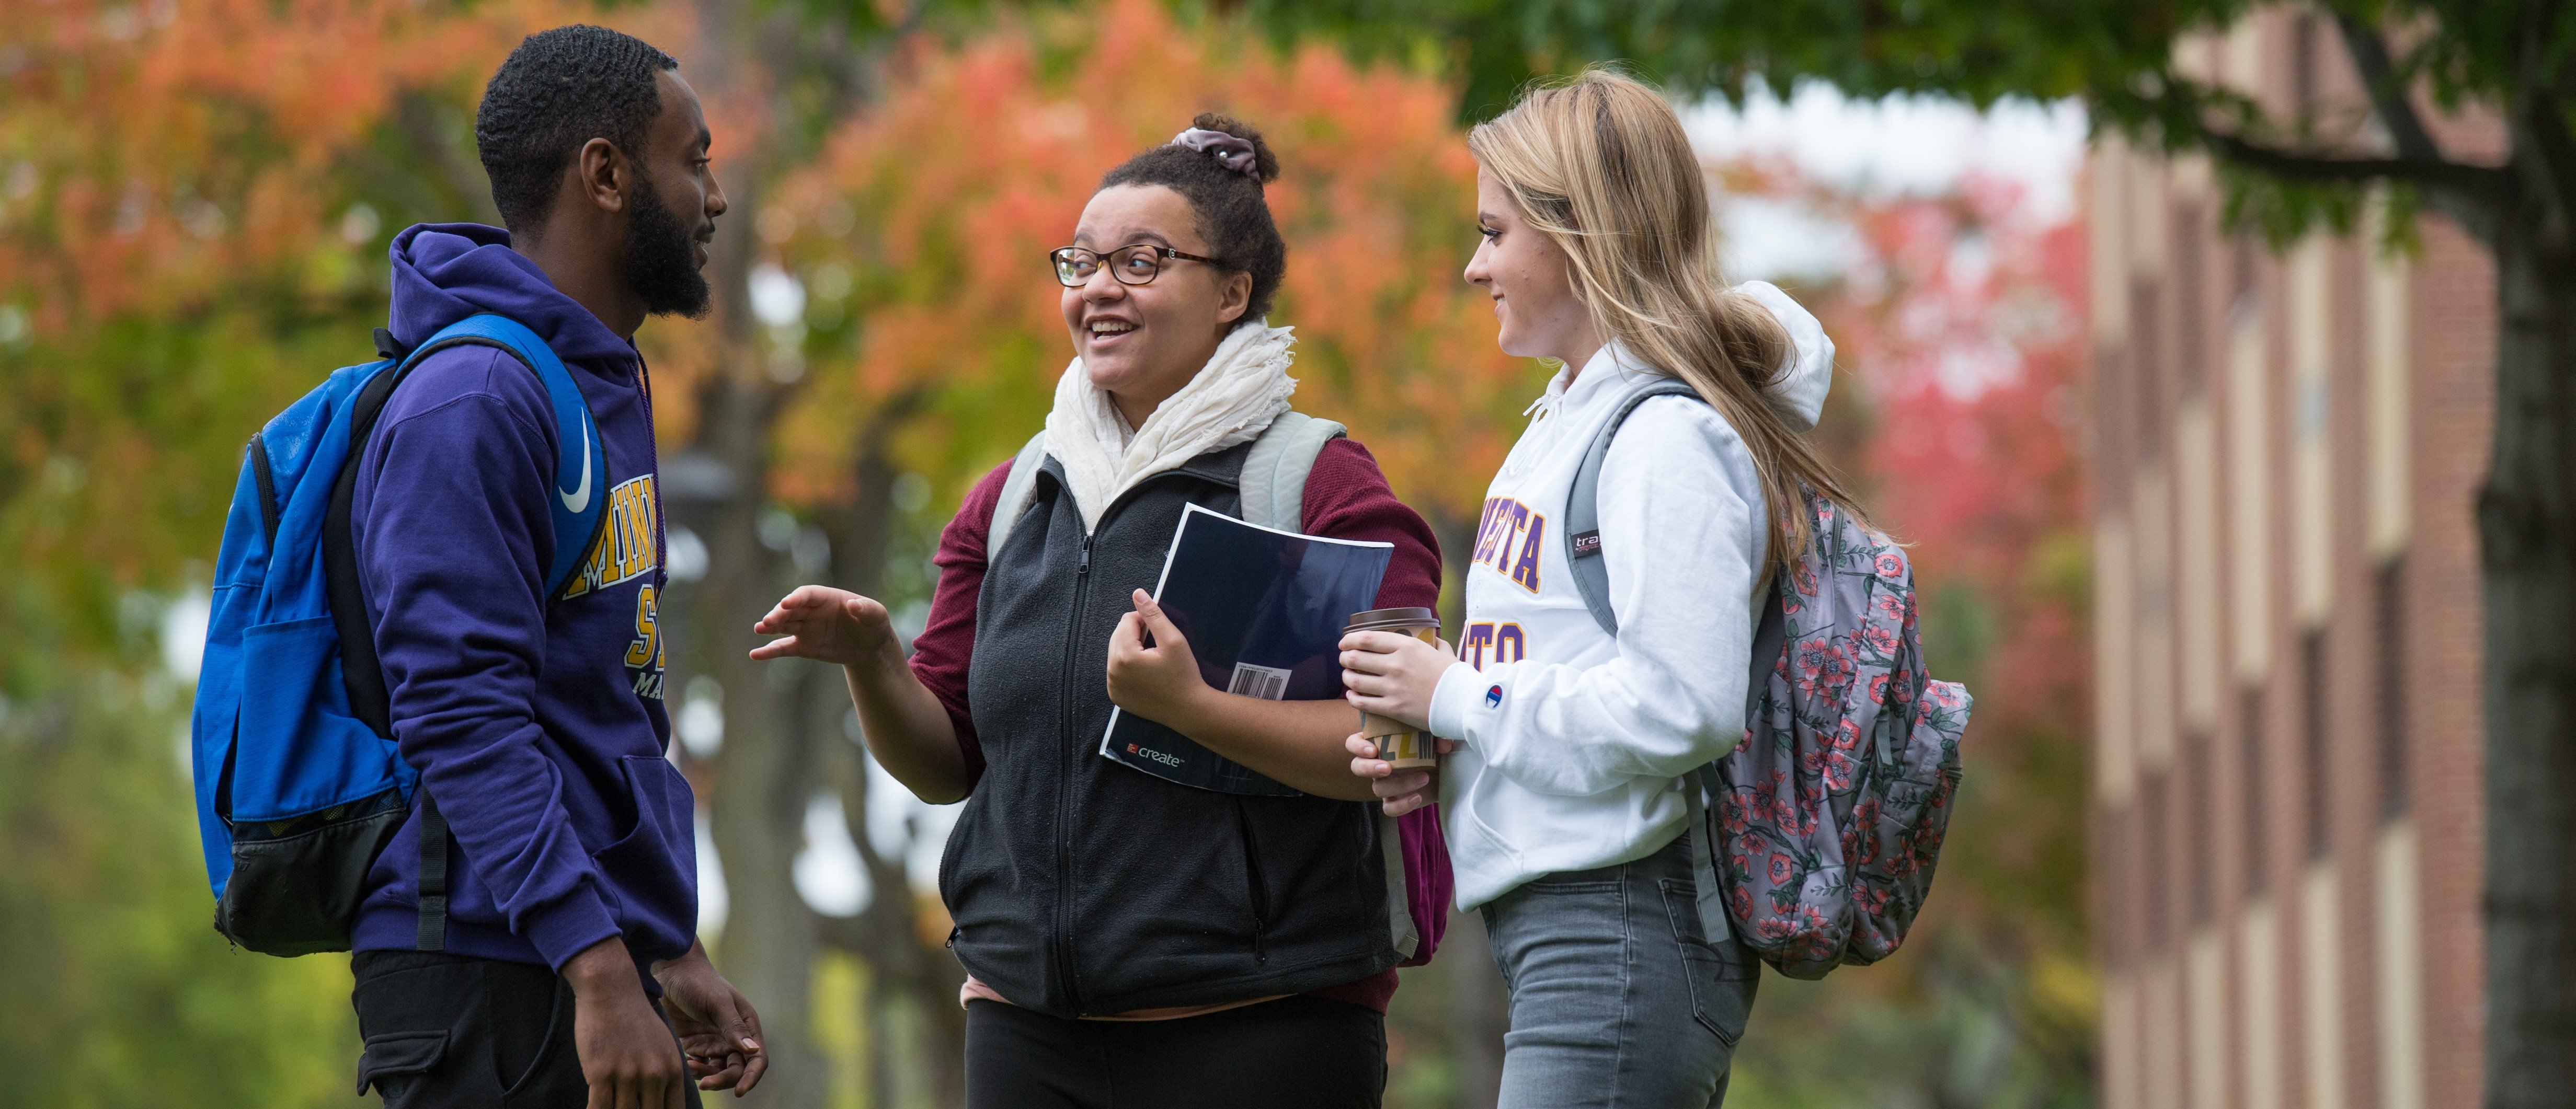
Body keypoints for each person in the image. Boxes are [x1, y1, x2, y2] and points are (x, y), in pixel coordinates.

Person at [747, 115, 1441, 1109]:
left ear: (1233, 292)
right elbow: (947, 765)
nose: (1098, 287)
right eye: (1080, 261)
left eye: (1142, 261)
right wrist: (874, 659)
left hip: (1266, 1026)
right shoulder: (1010, 500)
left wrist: (1193, 708)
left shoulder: (1318, 483)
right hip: (1027, 1031)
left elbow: (1406, 750)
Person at [1338, 69, 1855, 1108]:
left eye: (1493, 231)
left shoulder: (1665, 436)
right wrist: (1445, 739)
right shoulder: (1568, 420)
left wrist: (1456, 696)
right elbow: (1567, 675)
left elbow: (1681, 703)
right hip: (1568, 929)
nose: (1473, 263)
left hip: (1620, 925)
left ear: (1581, 234)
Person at [346, 26, 764, 1108]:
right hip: (492, 969)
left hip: (583, 954)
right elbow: (456, 707)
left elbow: (600, 707)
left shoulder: (592, 382)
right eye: (696, 159)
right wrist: (597, 963)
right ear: (607, 173)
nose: (714, 197)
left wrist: (663, 945)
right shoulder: (476, 398)